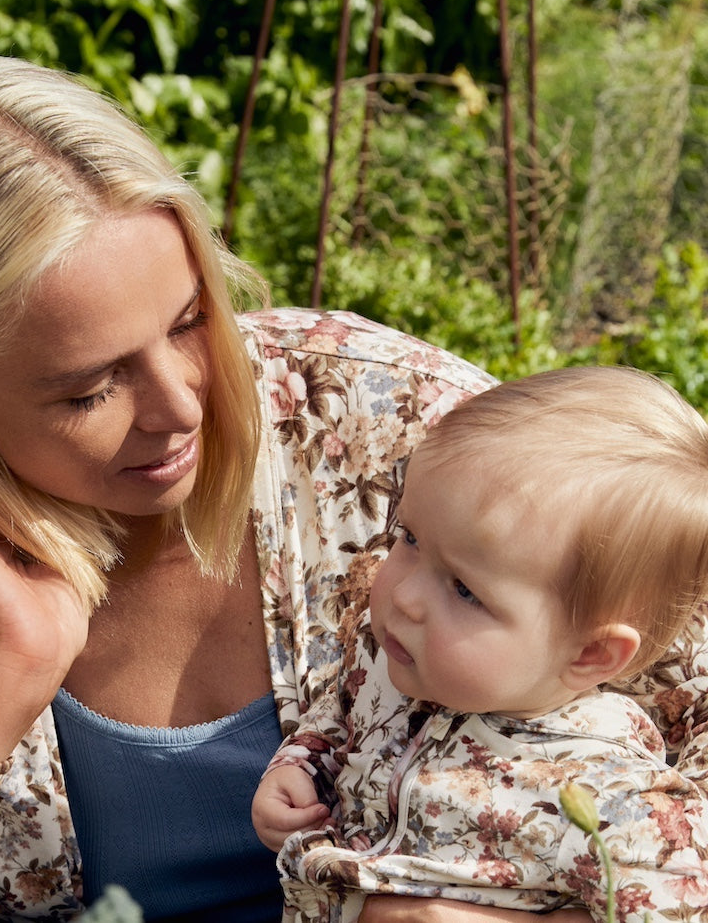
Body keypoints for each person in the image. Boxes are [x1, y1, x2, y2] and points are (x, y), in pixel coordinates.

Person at [0, 55, 708, 923]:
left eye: (188, 322)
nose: (182, 406)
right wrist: (7, 670)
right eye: (92, 388)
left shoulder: (381, 423)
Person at [252, 366, 708, 923]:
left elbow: (684, 906)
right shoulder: (393, 664)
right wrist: (301, 766)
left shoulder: (609, 793)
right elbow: (339, 714)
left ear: (589, 654)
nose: (406, 597)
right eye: (411, 539)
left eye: (466, 590)